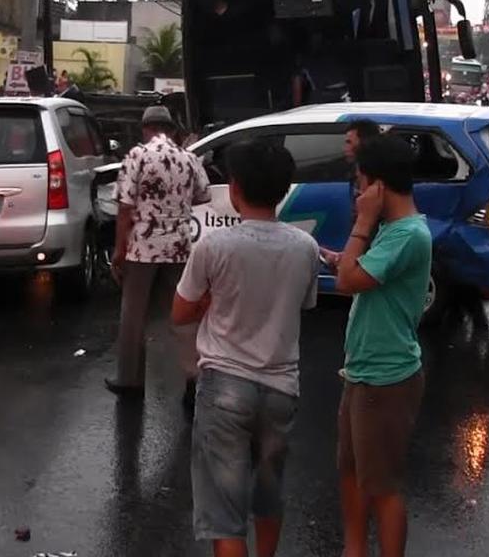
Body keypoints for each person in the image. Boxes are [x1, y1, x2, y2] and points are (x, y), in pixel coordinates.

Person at [172, 140, 319, 557]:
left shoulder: (213, 246)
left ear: (233, 188)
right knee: (269, 492)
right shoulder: (304, 247)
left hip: (224, 387)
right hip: (281, 388)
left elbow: (180, 312)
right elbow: (304, 304)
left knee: (225, 510)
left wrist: (210, 301)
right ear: (285, 190)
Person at [319, 134, 430, 557]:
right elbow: (355, 271)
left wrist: (361, 224)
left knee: (382, 486)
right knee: (350, 471)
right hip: (363, 371)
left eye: (362, 183)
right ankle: (353, 549)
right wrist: (338, 256)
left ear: (379, 185)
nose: (358, 194)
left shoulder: (405, 234)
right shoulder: (393, 231)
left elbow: (349, 283)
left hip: (386, 379)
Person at [106, 106, 211, 401]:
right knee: (183, 315)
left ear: (146, 128)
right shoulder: (188, 158)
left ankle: (130, 381)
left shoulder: (137, 156)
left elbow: (125, 207)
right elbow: (204, 194)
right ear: (170, 128)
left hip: (142, 248)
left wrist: (118, 250)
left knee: (133, 314)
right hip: (179, 245)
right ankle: (194, 378)